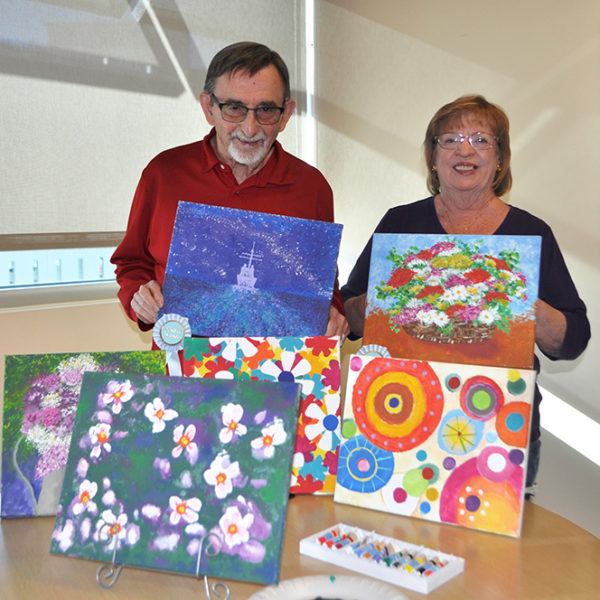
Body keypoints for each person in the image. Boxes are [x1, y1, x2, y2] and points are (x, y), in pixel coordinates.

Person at [341, 94, 590, 489]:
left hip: (501, 427)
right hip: (405, 415)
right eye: (450, 139)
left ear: (500, 158)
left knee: (494, 551)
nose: (464, 151)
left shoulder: (530, 234)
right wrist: (378, 305)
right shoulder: (400, 222)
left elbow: (572, 340)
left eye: (480, 139)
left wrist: (524, 303)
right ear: (433, 155)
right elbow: (349, 317)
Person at [111, 41, 348, 337]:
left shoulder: (312, 188)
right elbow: (132, 263)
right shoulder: (164, 174)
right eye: (234, 108)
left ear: (286, 114)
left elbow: (323, 285)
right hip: (183, 370)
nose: (250, 128)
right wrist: (139, 297)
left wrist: (332, 316)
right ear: (208, 107)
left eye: (266, 110)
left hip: (280, 373)